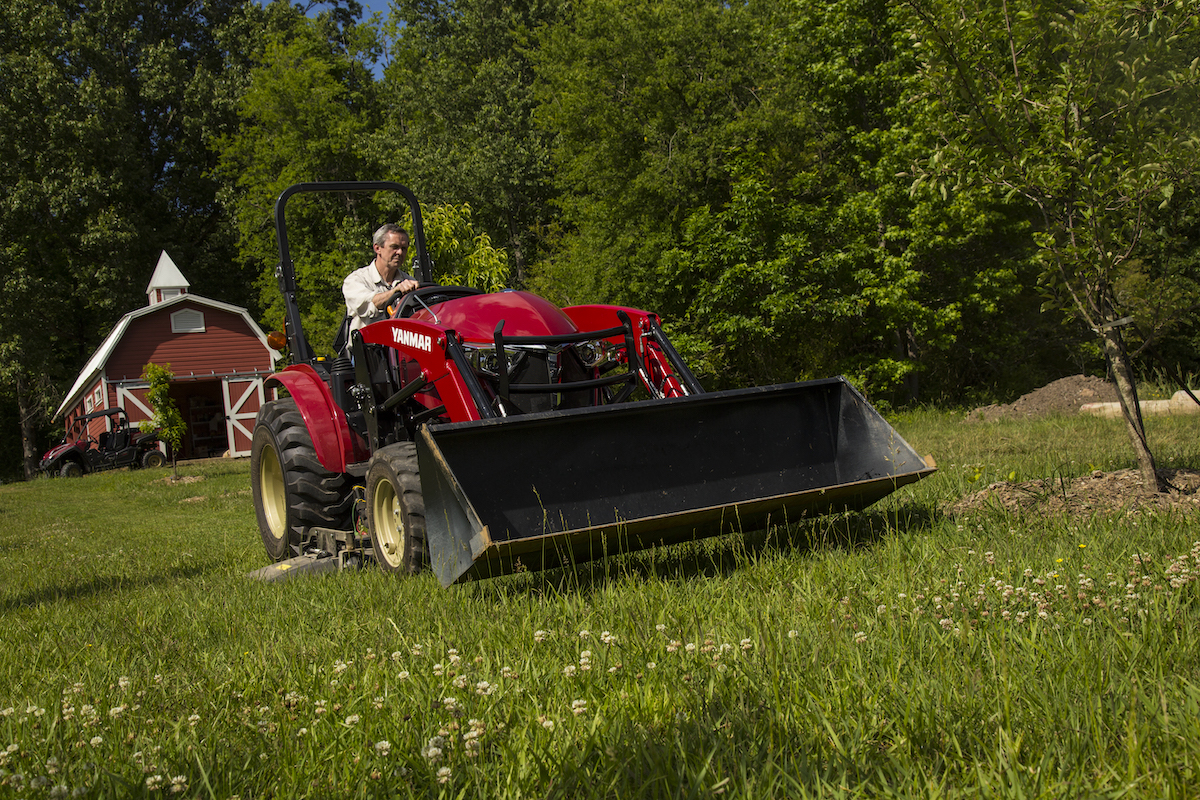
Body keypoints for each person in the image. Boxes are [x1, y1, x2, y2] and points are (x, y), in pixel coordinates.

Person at [342, 223, 421, 334]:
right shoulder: (356, 280)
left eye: (404, 248)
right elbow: (367, 305)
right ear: (377, 248)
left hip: (397, 348)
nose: (400, 252)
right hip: (367, 348)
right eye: (394, 247)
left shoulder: (408, 282)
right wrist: (395, 292)